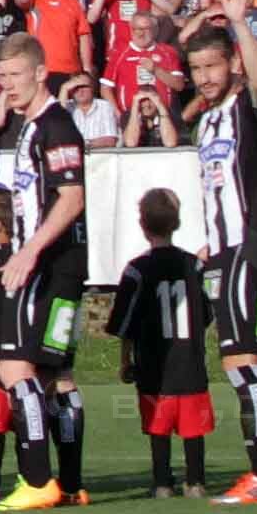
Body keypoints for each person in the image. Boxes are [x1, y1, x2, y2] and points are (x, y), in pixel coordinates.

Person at [185, 15, 257, 501]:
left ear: (231, 64)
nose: (205, 76)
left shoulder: (247, 108)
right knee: (237, 363)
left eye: (213, 65)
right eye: (196, 69)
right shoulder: (206, 121)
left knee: (246, 362)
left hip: (252, 246)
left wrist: (238, 23)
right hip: (226, 250)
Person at [0, 37, 93, 510]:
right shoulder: (30, 126)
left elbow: (72, 197)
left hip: (49, 263)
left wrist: (27, 251)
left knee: (15, 366)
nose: (7, 85)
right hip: (57, 263)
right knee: (57, 374)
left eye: (15, 75)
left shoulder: (56, 124)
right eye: (1, 77)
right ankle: (70, 484)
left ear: (40, 73)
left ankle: (36, 479)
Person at [109, 190, 212, 496]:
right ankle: (196, 481)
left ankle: (162, 482)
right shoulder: (193, 266)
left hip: (154, 364)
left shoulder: (136, 269)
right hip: (190, 362)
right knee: (193, 428)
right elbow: (206, 314)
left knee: (158, 426)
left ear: (142, 225)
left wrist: (125, 360)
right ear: (177, 222)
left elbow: (125, 324)